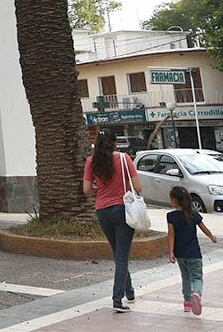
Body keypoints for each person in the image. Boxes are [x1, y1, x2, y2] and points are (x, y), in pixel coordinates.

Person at [83, 129, 142, 312]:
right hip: (123, 211)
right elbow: (138, 187)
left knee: (118, 254)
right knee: (122, 256)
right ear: (115, 143)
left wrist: (100, 193)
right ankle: (117, 300)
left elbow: (86, 190)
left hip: (102, 211)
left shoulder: (91, 161)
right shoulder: (125, 159)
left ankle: (129, 291)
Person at [168, 185, 218, 316]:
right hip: (194, 253)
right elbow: (204, 228)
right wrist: (212, 237)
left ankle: (187, 303)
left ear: (174, 200)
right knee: (196, 277)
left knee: (185, 277)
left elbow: (171, 234)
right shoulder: (194, 214)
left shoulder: (171, 216)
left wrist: (171, 251)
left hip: (180, 254)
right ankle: (196, 293)